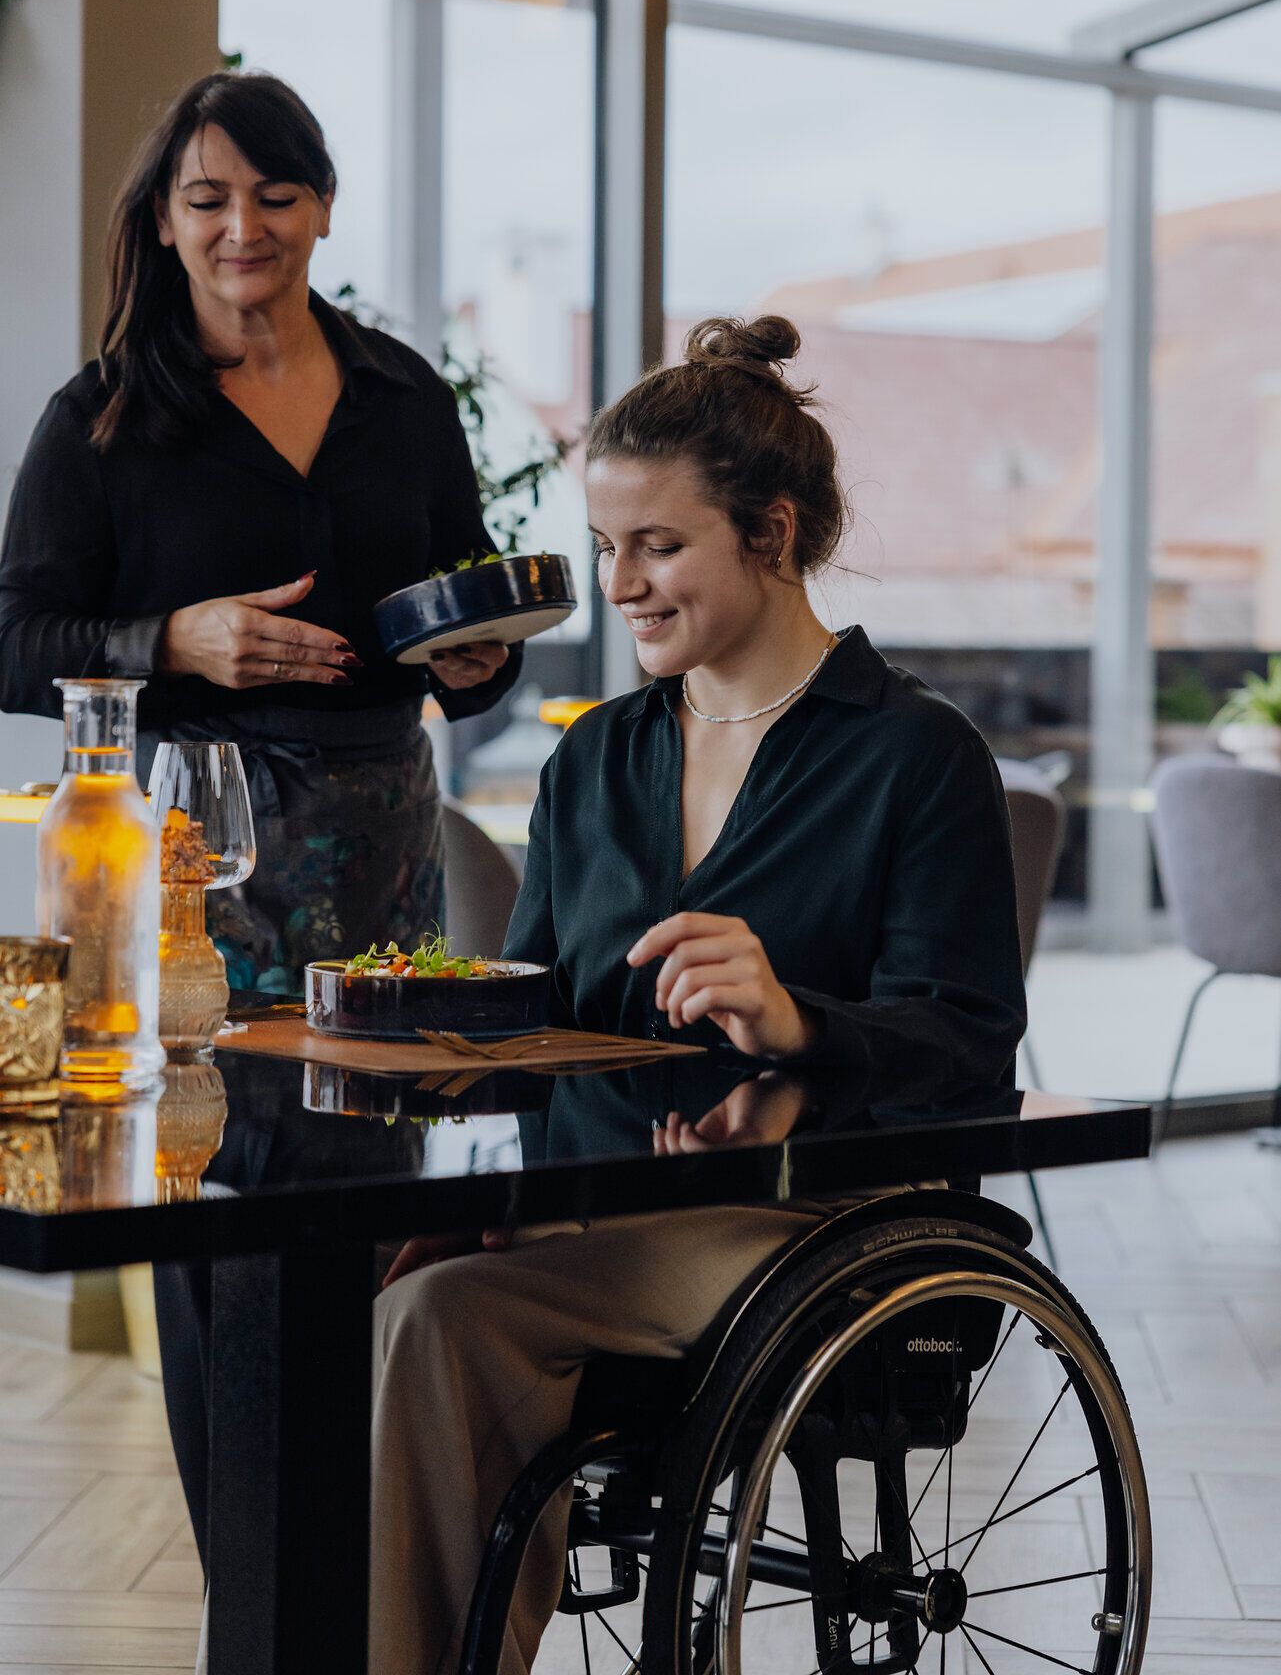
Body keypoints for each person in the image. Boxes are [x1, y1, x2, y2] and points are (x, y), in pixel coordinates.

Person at [367, 314, 1027, 1675]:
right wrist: (416, 1038)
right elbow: (542, 1010)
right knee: (333, 1292)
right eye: (608, 547)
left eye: (658, 545)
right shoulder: (597, 757)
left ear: (770, 535)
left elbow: (966, 1042)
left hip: (814, 1223)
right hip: (601, 1207)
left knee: (438, 1324)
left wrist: (795, 1019)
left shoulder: (916, 756)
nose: (621, 584)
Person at [0, 70, 519, 990]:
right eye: (207, 200)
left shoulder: (407, 399)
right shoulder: (97, 419)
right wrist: (170, 643)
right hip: (188, 848)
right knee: (193, 1117)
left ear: (322, 208)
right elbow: (12, 643)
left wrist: (479, 657)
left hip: (389, 843)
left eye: (276, 197)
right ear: (164, 219)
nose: (244, 229)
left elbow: (464, 598)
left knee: (389, 1111)